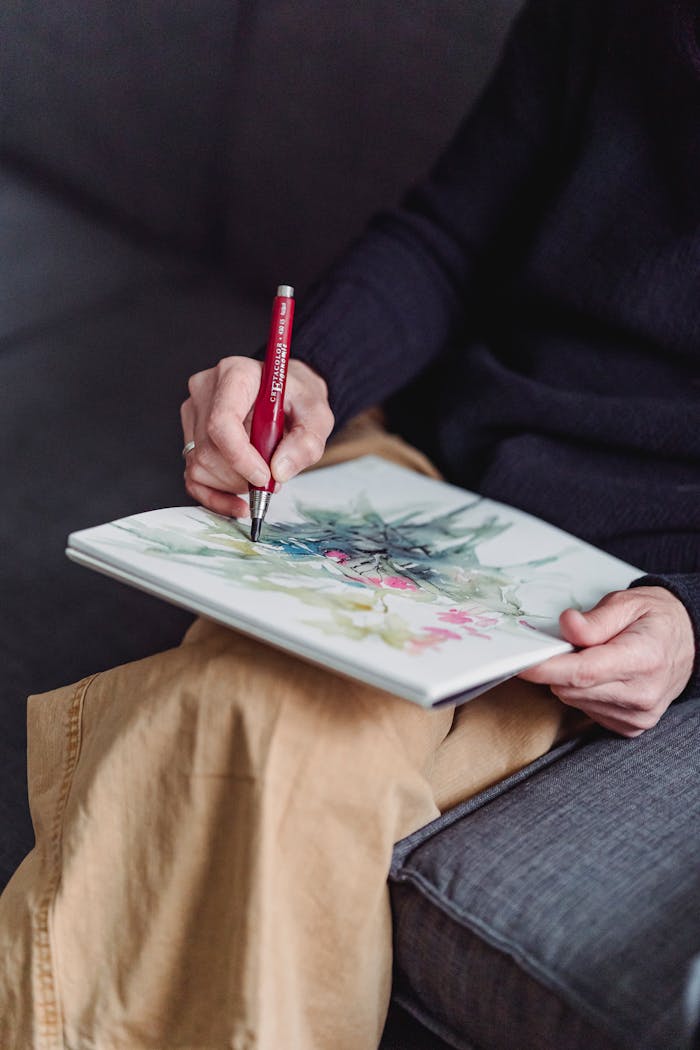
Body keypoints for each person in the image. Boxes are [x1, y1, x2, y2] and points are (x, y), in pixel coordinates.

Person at [0, 0, 698, 1047]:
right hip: (420, 465)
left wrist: (691, 620)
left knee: (254, 722)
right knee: (253, 726)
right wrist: (308, 373)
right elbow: (445, 239)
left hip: (608, 593)